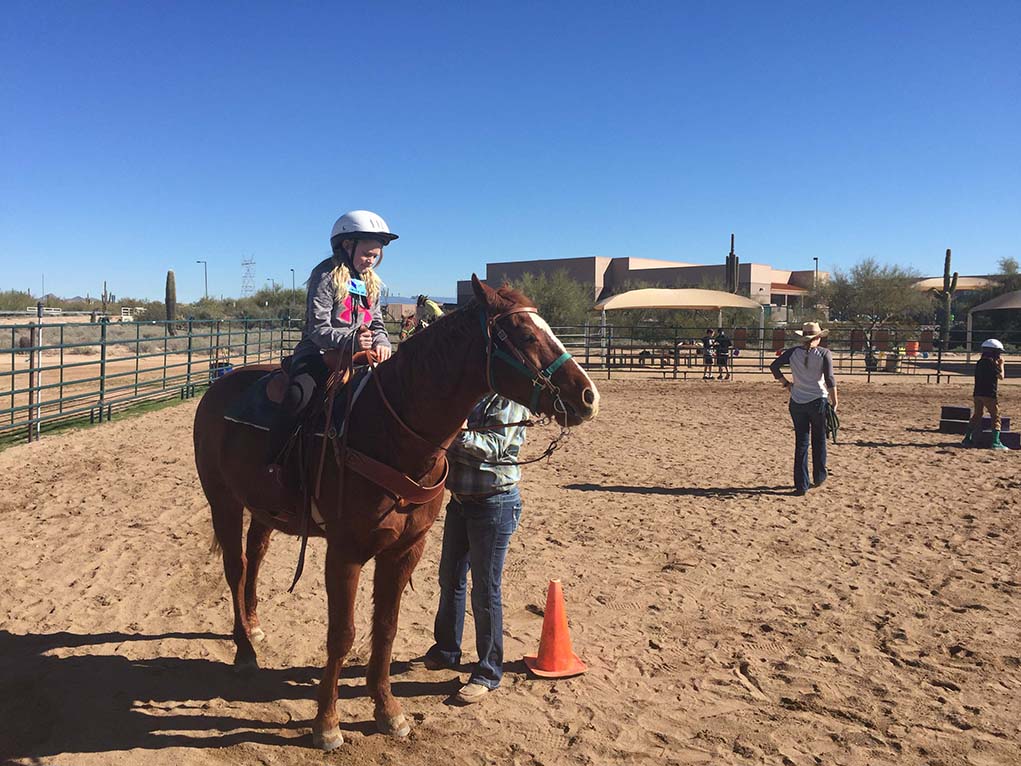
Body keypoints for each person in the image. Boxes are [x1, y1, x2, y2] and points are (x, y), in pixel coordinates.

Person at [264, 210, 397, 476]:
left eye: (375, 255)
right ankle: (274, 464)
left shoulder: (372, 283)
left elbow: (378, 324)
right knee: (297, 396)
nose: (371, 261)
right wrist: (352, 340)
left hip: (362, 357)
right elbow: (318, 328)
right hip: (319, 354)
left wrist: (382, 341)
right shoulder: (325, 275)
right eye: (366, 254)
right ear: (347, 246)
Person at [424, 392, 528, 703]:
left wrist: (452, 431)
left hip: (494, 504)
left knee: (485, 590)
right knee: (450, 579)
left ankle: (488, 671)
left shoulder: (509, 400)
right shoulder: (474, 397)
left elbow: (493, 448)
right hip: (461, 502)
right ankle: (446, 649)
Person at [770, 321, 839, 496]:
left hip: (797, 401)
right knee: (819, 439)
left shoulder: (793, 353)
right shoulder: (824, 353)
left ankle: (801, 484)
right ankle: (819, 475)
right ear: (817, 338)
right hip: (818, 400)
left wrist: (786, 384)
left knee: (801, 443)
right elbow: (829, 378)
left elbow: (774, 366)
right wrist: (835, 400)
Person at [962, 338, 1007, 450]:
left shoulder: (980, 362)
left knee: (977, 415)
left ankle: (967, 438)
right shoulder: (991, 364)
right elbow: (1001, 376)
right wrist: (1001, 364)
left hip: (977, 393)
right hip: (989, 394)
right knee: (995, 416)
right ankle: (996, 442)